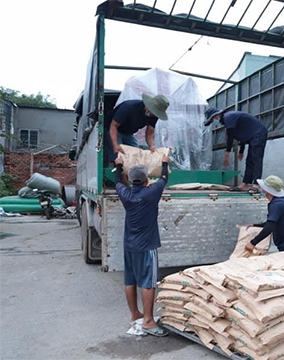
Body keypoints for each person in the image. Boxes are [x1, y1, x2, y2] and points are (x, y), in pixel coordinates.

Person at [113, 154, 170, 337]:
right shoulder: (151, 193)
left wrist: (119, 166)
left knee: (130, 281)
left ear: (130, 180)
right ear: (146, 180)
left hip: (129, 245)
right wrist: (164, 163)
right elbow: (164, 178)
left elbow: (117, 182)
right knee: (148, 283)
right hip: (146, 246)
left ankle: (134, 315)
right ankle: (148, 321)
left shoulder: (126, 195)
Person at [204, 107, 268, 193]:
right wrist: (241, 151)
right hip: (253, 136)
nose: (215, 120)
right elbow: (242, 134)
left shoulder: (228, 117)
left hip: (259, 134)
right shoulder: (230, 118)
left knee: (256, 158)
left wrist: (227, 154)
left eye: (213, 118)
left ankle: (256, 184)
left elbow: (230, 137)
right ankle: (245, 184)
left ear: (216, 115)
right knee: (249, 160)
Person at [244, 175, 284, 256]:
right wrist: (255, 225)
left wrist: (253, 243)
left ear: (267, 190)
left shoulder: (277, 204)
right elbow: (272, 223)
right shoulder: (277, 202)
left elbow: (269, 227)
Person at [105, 94, 170, 164]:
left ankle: (133, 173)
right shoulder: (129, 107)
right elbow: (114, 125)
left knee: (136, 155)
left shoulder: (154, 115)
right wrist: (115, 145)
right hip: (113, 130)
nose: (156, 114)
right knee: (118, 156)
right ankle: (115, 171)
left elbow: (150, 132)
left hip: (129, 133)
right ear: (149, 106)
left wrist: (151, 146)